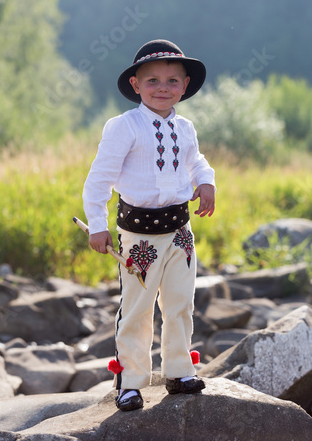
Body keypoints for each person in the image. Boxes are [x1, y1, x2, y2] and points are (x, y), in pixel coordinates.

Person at [83, 39, 215, 412]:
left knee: (180, 304)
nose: (163, 88)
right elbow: (98, 179)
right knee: (137, 310)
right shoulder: (124, 126)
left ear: (185, 86)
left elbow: (197, 161)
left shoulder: (186, 127)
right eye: (153, 80)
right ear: (136, 85)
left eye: (173, 80)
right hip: (137, 236)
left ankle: (179, 371)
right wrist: (97, 223)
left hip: (180, 235)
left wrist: (206, 181)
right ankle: (131, 382)